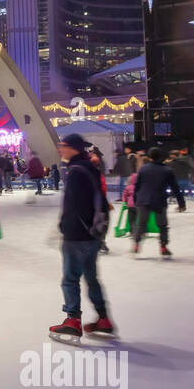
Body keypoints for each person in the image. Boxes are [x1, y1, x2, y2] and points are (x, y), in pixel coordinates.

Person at [49, 133, 112, 342]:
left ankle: (73, 320)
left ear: (73, 148)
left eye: (62, 146)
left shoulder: (76, 171)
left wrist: (64, 227)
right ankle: (103, 318)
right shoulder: (90, 167)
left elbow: (73, 206)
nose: (59, 149)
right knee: (91, 277)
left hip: (77, 234)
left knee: (70, 279)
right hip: (94, 234)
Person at [131, 147, 184, 257]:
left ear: (149, 157)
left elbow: (137, 186)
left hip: (143, 200)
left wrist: (135, 199)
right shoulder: (167, 170)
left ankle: (136, 244)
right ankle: (163, 247)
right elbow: (175, 188)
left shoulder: (143, 169)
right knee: (162, 225)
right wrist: (181, 203)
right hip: (159, 200)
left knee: (141, 224)